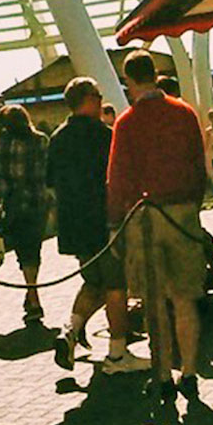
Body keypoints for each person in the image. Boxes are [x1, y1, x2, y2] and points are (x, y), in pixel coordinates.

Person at [107, 50, 212, 407]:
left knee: (154, 302)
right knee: (185, 297)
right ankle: (192, 373)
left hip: (144, 216)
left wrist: (115, 223)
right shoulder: (184, 113)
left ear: (129, 80)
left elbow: (118, 177)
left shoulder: (127, 122)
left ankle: (163, 375)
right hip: (182, 213)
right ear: (155, 74)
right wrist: (192, 204)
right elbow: (200, 166)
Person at [49, 77, 141, 374]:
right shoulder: (105, 136)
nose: (102, 99)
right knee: (116, 285)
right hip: (105, 221)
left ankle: (71, 330)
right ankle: (117, 352)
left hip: (75, 226)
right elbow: (119, 178)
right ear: (87, 99)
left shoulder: (58, 138)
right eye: (98, 95)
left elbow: (50, 183)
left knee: (94, 281)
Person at [0, 104, 50, 325]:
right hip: (37, 202)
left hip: (13, 204)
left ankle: (32, 297)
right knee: (34, 250)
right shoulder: (41, 140)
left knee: (24, 253)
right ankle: (31, 294)